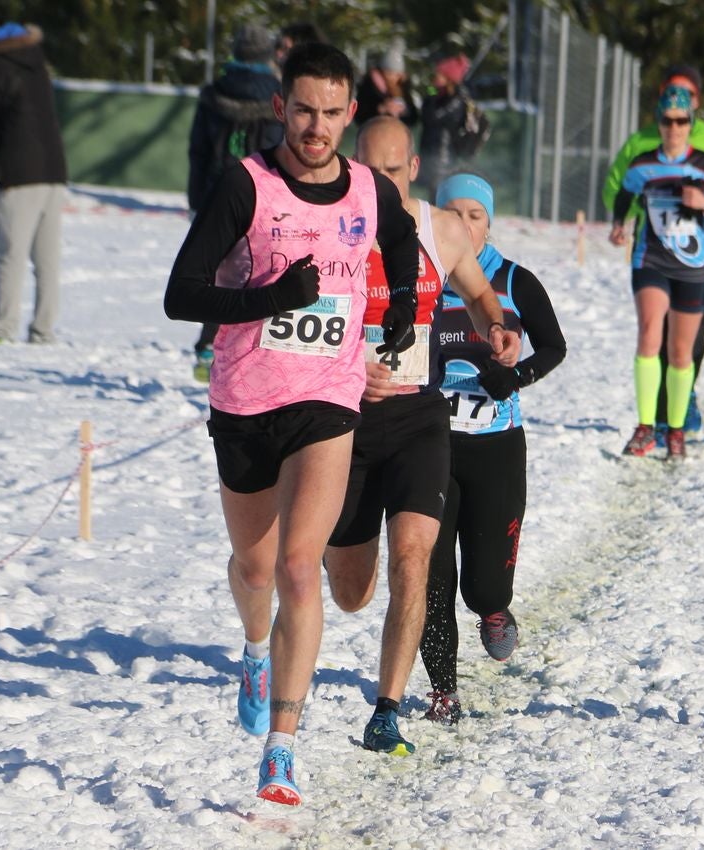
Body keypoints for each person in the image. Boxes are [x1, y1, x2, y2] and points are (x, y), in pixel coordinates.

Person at [164, 43, 422, 806]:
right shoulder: (247, 185)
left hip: (328, 398)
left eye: (331, 113)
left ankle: (281, 748)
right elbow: (182, 295)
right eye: (303, 110)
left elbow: (400, 237)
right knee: (254, 567)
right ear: (281, 109)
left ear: (350, 113)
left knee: (297, 566)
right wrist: (268, 298)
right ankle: (253, 650)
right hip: (245, 401)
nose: (316, 127)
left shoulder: (370, 189)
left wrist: (402, 302)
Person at [321, 119, 521, 756]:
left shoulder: (443, 230)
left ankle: (388, 709)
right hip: (347, 425)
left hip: (420, 421)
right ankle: (344, 549)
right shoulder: (334, 230)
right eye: (369, 172)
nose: (381, 183)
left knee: (416, 559)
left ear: (412, 168)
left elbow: (482, 291)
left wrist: (497, 326)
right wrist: (353, 371)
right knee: (353, 593)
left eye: (393, 171)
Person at [418, 171, 567, 724]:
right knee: (430, 576)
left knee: (482, 585)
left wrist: (518, 375)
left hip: (497, 447)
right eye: (452, 215)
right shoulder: (422, 277)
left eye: (474, 216)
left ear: (488, 223)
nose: (464, 225)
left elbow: (554, 346)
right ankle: (443, 689)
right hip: (428, 444)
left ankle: (494, 608)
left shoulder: (512, 280)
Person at [602, 64, 704, 437]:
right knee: (652, 331)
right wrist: (622, 222)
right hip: (651, 252)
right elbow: (620, 185)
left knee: (688, 340)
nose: (674, 127)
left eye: (682, 119)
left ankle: (683, 403)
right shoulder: (640, 145)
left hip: (697, 253)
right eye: (667, 120)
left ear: (694, 108)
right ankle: (651, 420)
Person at [0, 11, 67, 344]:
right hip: (54, 172)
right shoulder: (34, 59)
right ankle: (43, 330)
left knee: (11, 255)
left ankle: (2, 327)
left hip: (20, 173)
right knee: (46, 260)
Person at [186, 22, 283, 382]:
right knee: (256, 273)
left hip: (216, 194)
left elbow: (198, 151)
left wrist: (197, 199)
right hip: (262, 194)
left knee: (213, 275)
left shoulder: (214, 94)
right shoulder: (278, 94)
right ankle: (250, 350)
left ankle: (209, 344)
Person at [417, 53, 489, 197]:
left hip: (443, 158)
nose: (435, 77)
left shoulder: (457, 100)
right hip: (432, 155)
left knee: (438, 197)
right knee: (433, 196)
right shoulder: (438, 95)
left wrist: (432, 95)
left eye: (439, 74)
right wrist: (432, 91)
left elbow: (434, 117)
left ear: (448, 78)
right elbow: (425, 114)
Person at [354, 45, 419, 127]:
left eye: (397, 74)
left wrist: (402, 112)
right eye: (390, 73)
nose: (393, 78)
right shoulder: (368, 87)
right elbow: (360, 117)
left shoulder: (403, 88)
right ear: (382, 71)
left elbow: (413, 118)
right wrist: (380, 110)